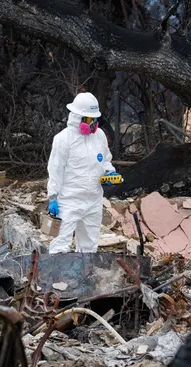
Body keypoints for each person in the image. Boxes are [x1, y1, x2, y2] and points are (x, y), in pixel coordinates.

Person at [46, 92, 121, 253]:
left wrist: (109, 173)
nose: (92, 123)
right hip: (69, 200)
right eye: (88, 119)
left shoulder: (99, 136)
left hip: (93, 200)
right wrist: (53, 197)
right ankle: (58, 277)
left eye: (94, 119)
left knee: (89, 247)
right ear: (77, 116)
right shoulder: (63, 139)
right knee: (60, 244)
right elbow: (55, 170)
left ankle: (85, 277)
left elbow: (106, 159)